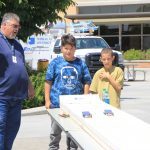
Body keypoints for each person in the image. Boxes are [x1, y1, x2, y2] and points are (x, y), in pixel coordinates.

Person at [45, 34, 91, 150]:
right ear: (61, 48)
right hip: (57, 104)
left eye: (71, 48)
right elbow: (48, 81)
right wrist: (47, 100)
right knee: (55, 133)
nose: (68, 51)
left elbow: (86, 81)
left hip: (75, 105)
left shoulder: (80, 63)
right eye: (66, 48)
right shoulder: (55, 63)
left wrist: (85, 98)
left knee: (73, 135)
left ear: (75, 48)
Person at [0, 12, 35, 150]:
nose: (16, 29)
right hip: (2, 97)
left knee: (12, 130)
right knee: (1, 130)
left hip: (17, 98)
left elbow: (22, 67)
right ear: (4, 25)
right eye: (14, 26)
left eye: (18, 27)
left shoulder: (18, 45)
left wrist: (30, 85)